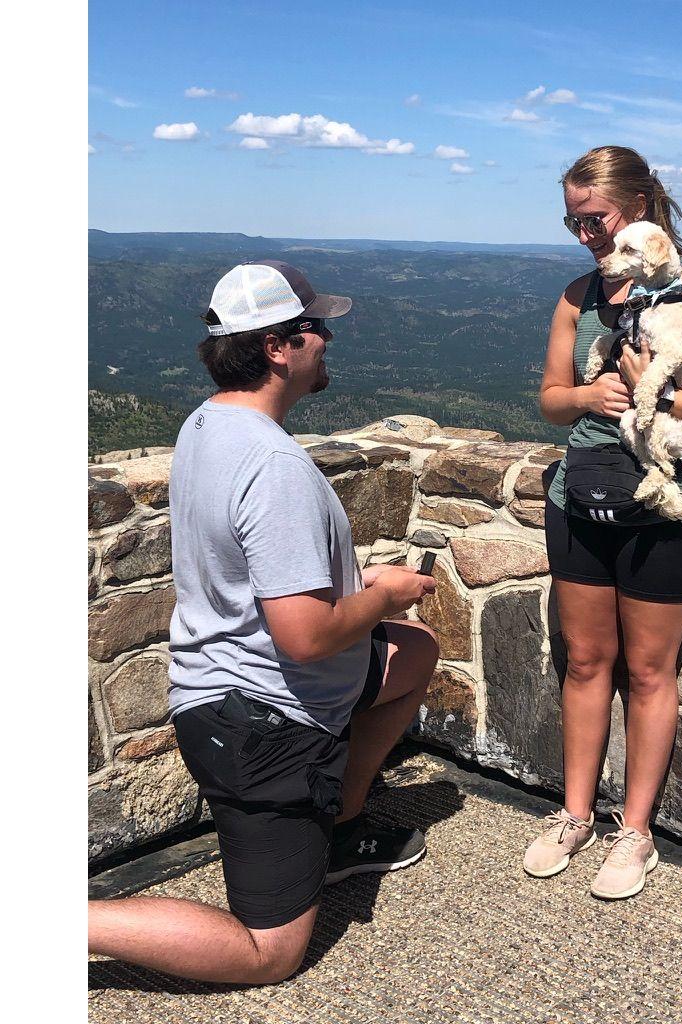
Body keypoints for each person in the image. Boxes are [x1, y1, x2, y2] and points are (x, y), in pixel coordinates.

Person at [88, 260, 439, 984]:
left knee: (413, 654)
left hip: (231, 686)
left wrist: (354, 585)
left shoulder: (206, 423)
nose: (328, 340)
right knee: (269, 954)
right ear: (279, 346)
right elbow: (304, 636)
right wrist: (382, 596)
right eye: (318, 329)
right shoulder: (273, 467)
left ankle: (335, 825)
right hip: (264, 724)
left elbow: (251, 570)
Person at [525, 147, 682, 899]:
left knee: (650, 671)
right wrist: (588, 400)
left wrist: (647, 391)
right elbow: (552, 397)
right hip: (582, 496)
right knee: (586, 662)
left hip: (665, 502)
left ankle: (636, 832)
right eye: (574, 220)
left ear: (642, 208)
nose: (585, 234)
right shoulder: (575, 296)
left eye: (597, 219)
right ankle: (574, 814)